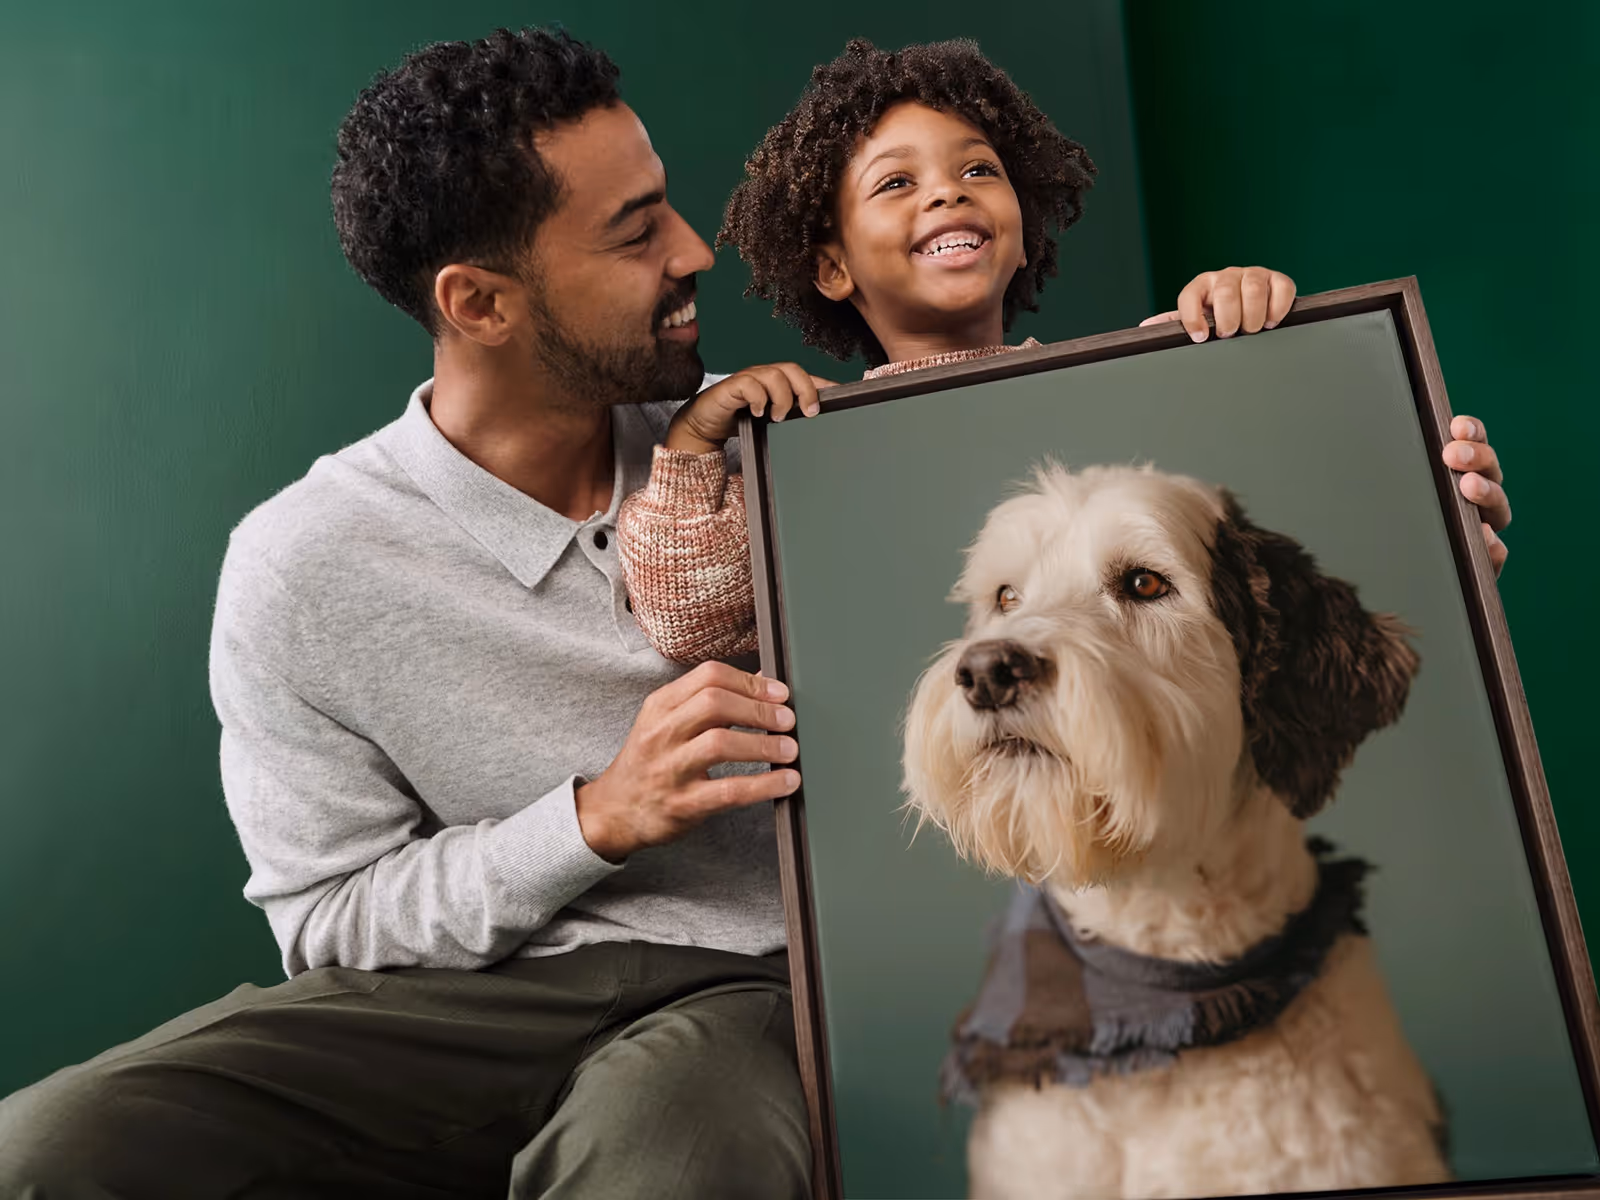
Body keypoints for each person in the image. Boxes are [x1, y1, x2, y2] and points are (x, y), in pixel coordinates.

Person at [0, 27, 816, 1200]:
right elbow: (328, 920)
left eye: (664, 206)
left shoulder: (762, 456)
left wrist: (1183, 338)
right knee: (43, 1153)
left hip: (739, 988)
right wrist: (595, 818)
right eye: (634, 232)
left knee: (670, 1165)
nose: (693, 250)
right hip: (452, 1012)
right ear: (478, 302)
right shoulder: (302, 564)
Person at [615, 38, 1512, 664]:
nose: (947, 196)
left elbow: (1302, 529)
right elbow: (684, 619)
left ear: (1022, 220)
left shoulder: (1149, 380)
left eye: (978, 170)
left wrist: (1246, 332)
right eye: (897, 184)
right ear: (833, 267)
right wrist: (695, 446)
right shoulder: (811, 457)